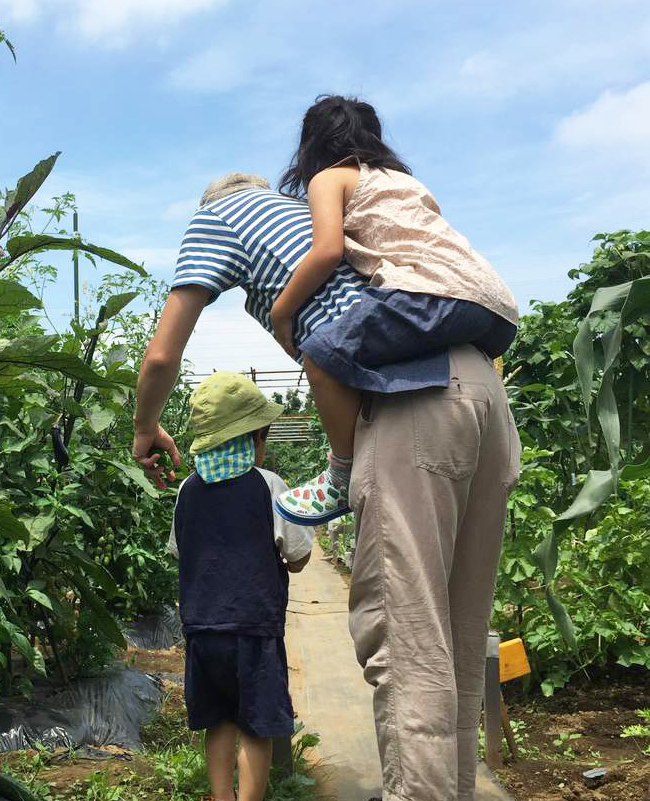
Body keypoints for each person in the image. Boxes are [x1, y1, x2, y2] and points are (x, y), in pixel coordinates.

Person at [133, 169, 521, 800]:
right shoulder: (305, 214)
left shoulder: (217, 219)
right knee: (454, 637)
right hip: (479, 385)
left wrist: (145, 424)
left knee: (407, 641)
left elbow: (159, 356)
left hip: (408, 400)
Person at [268, 95, 519, 526]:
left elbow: (326, 250)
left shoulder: (328, 178)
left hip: (432, 293)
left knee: (323, 354)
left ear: (311, 144)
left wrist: (281, 312)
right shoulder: (404, 182)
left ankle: (340, 475)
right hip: (495, 309)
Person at [167, 371, 312, 801]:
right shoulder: (269, 487)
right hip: (254, 630)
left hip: (202, 631)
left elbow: (181, 551)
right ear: (256, 439)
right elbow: (299, 558)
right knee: (256, 725)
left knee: (220, 720)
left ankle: (220, 796)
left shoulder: (187, 491)